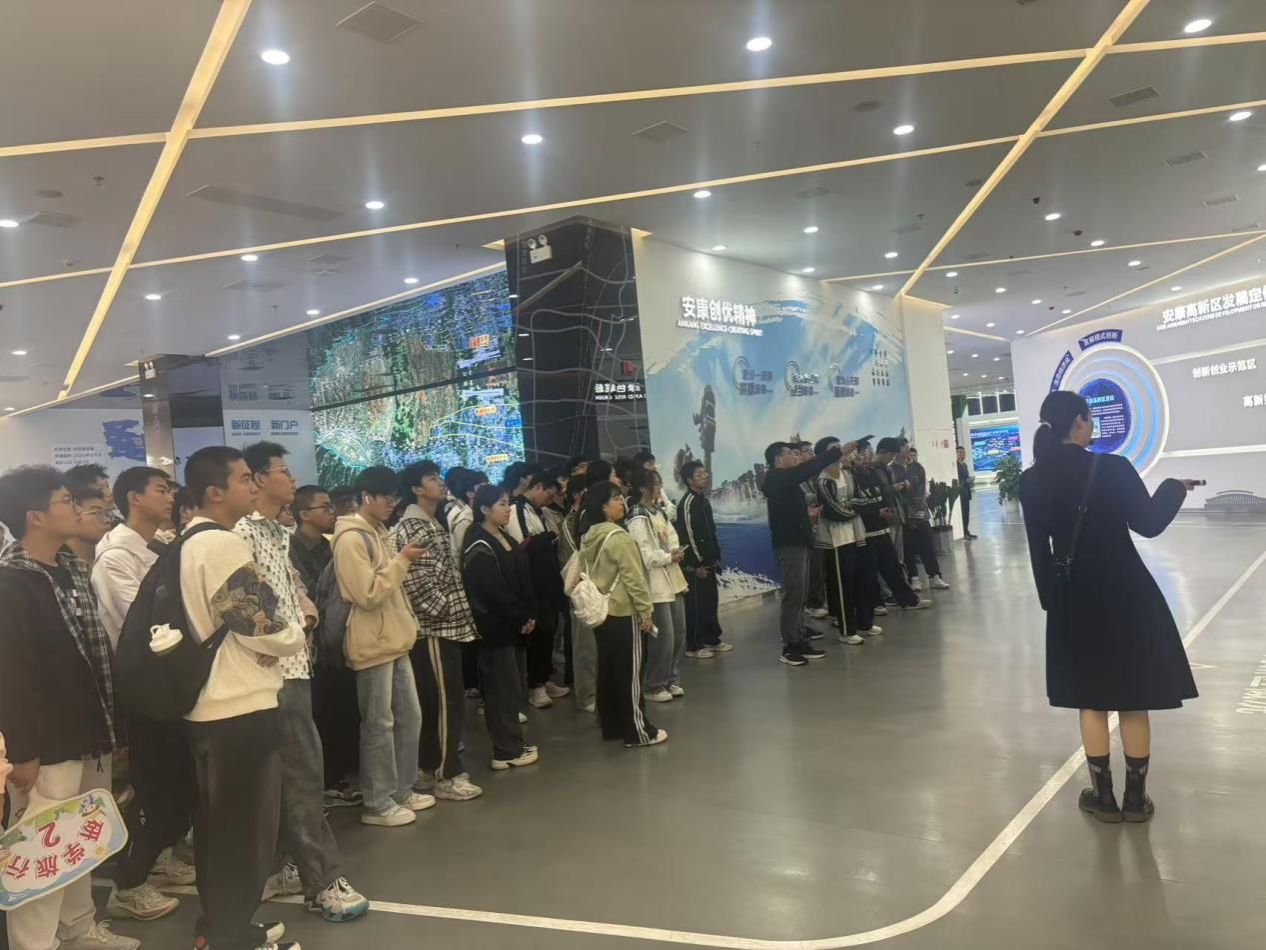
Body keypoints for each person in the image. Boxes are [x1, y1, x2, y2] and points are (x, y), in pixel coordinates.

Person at [1020, 391, 1198, 824]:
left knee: (1091, 699)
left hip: (1073, 597)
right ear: (1079, 422)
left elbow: (1039, 551)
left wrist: (1052, 602)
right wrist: (1174, 488)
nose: (1092, 426)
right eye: (1090, 419)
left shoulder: (1032, 480)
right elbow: (1149, 523)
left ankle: (1103, 798)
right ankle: (1136, 799)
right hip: (1126, 592)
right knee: (1133, 697)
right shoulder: (1113, 467)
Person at [0, 466, 138, 950]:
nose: (76, 509)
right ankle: (35, 943)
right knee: (41, 849)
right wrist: (24, 751)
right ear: (35, 516)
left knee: (82, 839)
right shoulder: (11, 582)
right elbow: (12, 675)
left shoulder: (73, 569)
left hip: (89, 731)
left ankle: (79, 928)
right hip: (47, 743)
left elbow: (94, 655)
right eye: (66, 501)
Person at [178, 447, 305, 950]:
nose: (253, 487)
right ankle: (230, 935)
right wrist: (295, 633)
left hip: (209, 705)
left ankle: (219, 926)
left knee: (219, 825)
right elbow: (259, 621)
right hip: (238, 708)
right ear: (216, 492)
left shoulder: (189, 542)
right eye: (245, 479)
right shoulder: (220, 543)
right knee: (245, 832)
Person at [237, 443, 369, 922]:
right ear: (256, 481)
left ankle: (284, 867)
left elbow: (293, 587)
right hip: (272, 675)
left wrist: (305, 620)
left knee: (286, 778)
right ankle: (323, 881)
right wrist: (285, 636)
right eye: (282, 470)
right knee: (302, 778)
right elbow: (246, 610)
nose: (291, 478)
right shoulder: (239, 534)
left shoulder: (277, 531)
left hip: (294, 667)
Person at [93, 467, 193, 924]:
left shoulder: (163, 545)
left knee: (179, 781)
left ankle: (161, 857)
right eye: (160, 489)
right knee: (153, 784)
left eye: (171, 489)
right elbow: (149, 621)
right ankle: (128, 886)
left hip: (174, 681)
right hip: (146, 684)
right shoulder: (115, 556)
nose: (170, 496)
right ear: (134, 498)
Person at [333, 466, 431, 828]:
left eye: (394, 497)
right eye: (386, 497)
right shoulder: (350, 539)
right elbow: (368, 593)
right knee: (379, 723)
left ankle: (402, 789)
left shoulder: (379, 532)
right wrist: (402, 560)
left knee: (409, 717)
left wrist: (399, 559)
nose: (391, 504)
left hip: (394, 639)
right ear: (366, 497)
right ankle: (377, 801)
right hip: (371, 642)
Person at [394, 461, 483, 802]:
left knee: (440, 702)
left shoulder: (431, 521)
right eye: (432, 479)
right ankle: (447, 774)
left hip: (445, 626)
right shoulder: (415, 526)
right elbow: (418, 583)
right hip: (434, 629)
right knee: (447, 702)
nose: (440, 483)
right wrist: (445, 611)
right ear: (416, 489)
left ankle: (432, 767)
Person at [578, 483, 664, 747]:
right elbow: (634, 579)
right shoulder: (620, 538)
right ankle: (638, 731)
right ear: (603, 507)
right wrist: (645, 611)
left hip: (602, 612)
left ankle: (612, 725)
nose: (621, 503)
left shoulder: (589, 536)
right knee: (630, 673)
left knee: (609, 669)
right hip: (624, 612)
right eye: (615, 499)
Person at [461, 485, 540, 770]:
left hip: (513, 624)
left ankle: (513, 742)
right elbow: (491, 591)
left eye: (508, 503)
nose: (508, 509)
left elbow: (523, 578)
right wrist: (519, 615)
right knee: (499, 689)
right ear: (484, 509)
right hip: (494, 628)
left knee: (512, 688)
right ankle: (505, 750)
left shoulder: (504, 536)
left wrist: (529, 614)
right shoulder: (478, 544)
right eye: (502, 504)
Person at [762, 439, 848, 666]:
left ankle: (799, 639)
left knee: (800, 594)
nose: (796, 457)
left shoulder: (785, 481)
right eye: (791, 454)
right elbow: (809, 468)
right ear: (778, 459)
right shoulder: (777, 478)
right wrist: (838, 452)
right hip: (790, 545)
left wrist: (805, 515)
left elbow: (788, 509)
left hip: (801, 542)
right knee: (793, 595)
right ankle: (790, 646)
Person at [505, 470, 569, 709]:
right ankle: (535, 686)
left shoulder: (538, 512)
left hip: (547, 584)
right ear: (538, 487)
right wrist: (547, 537)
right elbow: (521, 547)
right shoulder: (517, 511)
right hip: (531, 586)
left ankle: (544, 678)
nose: (549, 500)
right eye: (548, 495)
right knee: (537, 636)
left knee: (548, 633)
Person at [626, 468, 689, 702]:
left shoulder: (659, 511)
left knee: (679, 633)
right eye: (655, 483)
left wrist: (674, 550)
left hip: (673, 577)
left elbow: (671, 535)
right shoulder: (637, 515)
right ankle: (654, 684)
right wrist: (666, 556)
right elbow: (643, 552)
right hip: (655, 582)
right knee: (664, 637)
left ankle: (672, 678)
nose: (660, 487)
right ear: (643, 488)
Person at [853, 443, 931, 614]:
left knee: (893, 566)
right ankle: (875, 603)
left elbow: (882, 494)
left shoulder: (874, 472)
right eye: (861, 454)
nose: (865, 457)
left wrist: (888, 510)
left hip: (882, 526)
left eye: (867, 452)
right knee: (869, 571)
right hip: (864, 530)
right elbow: (854, 504)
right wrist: (876, 512)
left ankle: (908, 600)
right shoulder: (851, 476)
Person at [812, 438, 876, 646]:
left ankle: (865, 623)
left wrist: (852, 506)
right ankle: (847, 630)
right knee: (842, 587)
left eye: (839, 447)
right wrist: (853, 509)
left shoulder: (847, 475)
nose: (840, 451)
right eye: (834, 449)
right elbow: (834, 511)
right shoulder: (823, 481)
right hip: (836, 541)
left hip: (856, 536)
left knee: (862, 582)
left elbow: (862, 500)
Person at [675, 460, 731, 658]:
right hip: (695, 565)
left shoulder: (703, 501)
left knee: (710, 603)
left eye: (705, 473)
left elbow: (710, 531)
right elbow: (687, 535)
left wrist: (715, 556)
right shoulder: (687, 503)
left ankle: (712, 639)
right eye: (699, 475)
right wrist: (695, 564)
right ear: (689, 480)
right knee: (695, 606)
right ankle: (694, 646)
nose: (705, 477)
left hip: (709, 561)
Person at [557, 478, 597, 711]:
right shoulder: (570, 523)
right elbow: (573, 559)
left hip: (602, 590)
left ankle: (600, 690)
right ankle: (587, 695)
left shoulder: (597, 520)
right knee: (585, 647)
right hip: (582, 590)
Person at [902, 448, 950, 591]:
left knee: (928, 547)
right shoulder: (894, 468)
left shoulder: (918, 468)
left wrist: (918, 512)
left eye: (914, 455)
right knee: (908, 550)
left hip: (921, 514)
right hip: (904, 517)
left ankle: (934, 576)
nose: (912, 457)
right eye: (909, 454)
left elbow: (920, 492)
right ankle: (914, 578)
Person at [64, 481, 114, 566]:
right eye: (97, 512)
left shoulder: (111, 560)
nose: (107, 520)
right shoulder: (59, 564)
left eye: (107, 513)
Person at [956, 445, 977, 540]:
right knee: (963, 514)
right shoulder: (956, 466)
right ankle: (963, 533)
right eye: (960, 452)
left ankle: (966, 531)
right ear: (956, 454)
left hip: (966, 493)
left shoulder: (964, 465)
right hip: (961, 494)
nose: (962, 454)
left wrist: (970, 480)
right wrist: (966, 481)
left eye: (963, 452)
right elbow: (958, 481)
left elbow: (966, 478)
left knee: (966, 514)